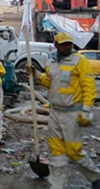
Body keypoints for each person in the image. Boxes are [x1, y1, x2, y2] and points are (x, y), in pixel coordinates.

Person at [31, 32, 100, 188]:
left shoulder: (79, 61)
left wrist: (87, 109)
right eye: (64, 44)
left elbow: (89, 86)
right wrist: (36, 74)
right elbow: (50, 82)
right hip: (55, 112)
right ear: (56, 45)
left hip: (72, 112)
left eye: (69, 43)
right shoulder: (52, 62)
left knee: (74, 150)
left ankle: (95, 178)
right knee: (56, 151)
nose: (67, 46)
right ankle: (58, 184)